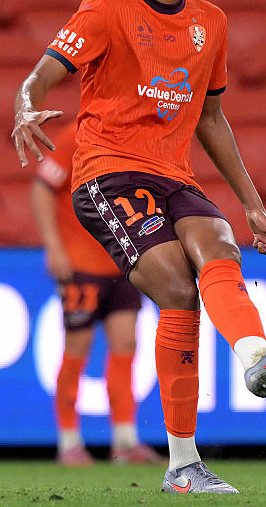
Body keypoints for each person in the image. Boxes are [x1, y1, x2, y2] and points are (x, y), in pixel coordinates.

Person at [11, 0, 266, 494]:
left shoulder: (211, 22)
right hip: (108, 173)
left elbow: (212, 119)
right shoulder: (105, 9)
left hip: (174, 175)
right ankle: (183, 461)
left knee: (220, 243)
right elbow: (43, 75)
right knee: (175, 289)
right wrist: (25, 105)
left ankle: (254, 363)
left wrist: (254, 206)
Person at [32, 123, 166, 467]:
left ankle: (124, 441)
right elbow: (43, 188)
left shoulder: (135, 136)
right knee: (78, 348)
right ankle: (69, 442)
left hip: (122, 262)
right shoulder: (74, 137)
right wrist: (54, 247)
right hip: (80, 263)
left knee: (126, 346)